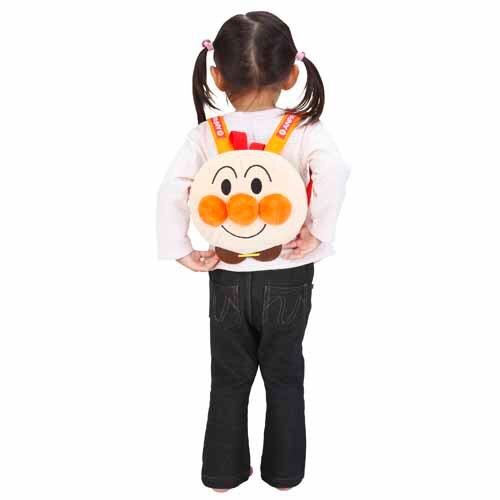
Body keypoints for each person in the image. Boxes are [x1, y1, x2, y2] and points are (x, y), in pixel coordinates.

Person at [156, 11, 351, 492]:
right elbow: (334, 170)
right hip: (289, 276)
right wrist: (317, 233)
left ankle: (222, 475)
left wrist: (181, 248)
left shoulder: (206, 135)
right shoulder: (305, 130)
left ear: (217, 76)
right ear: (291, 74)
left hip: (226, 274)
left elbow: (171, 189)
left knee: (228, 379)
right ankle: (284, 475)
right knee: (284, 377)